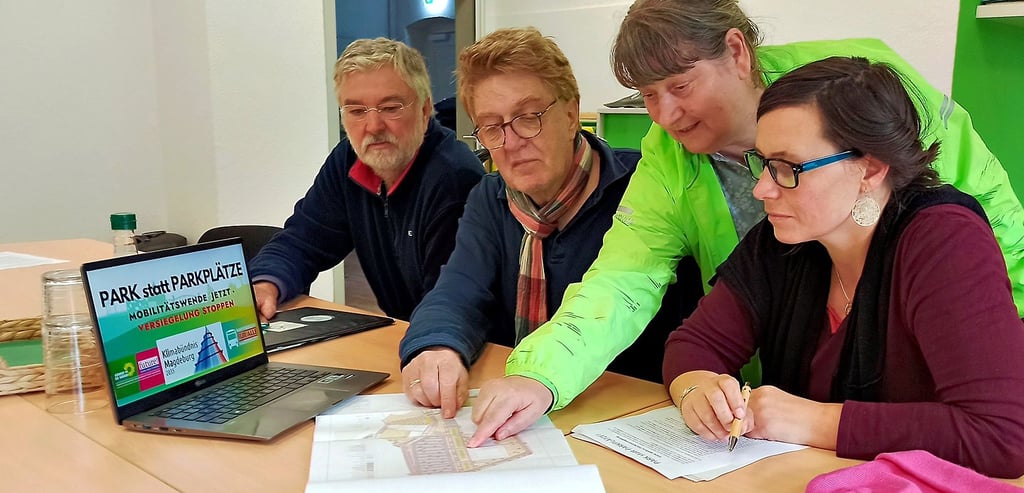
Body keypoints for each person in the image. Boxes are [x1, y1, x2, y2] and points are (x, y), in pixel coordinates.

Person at [469, 0, 1024, 445]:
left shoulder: (868, 117)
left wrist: (1000, 351)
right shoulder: (768, 230)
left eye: (680, 87)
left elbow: (984, 232)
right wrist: (543, 375)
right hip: (782, 432)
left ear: (736, 52)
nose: (664, 115)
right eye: (647, 96)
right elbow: (622, 283)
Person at [664, 56, 1024, 477]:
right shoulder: (786, 239)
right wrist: (697, 388)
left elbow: (1003, 435)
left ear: (869, 168)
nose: (763, 188)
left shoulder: (944, 241)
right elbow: (693, 345)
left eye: (788, 168)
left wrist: (815, 421)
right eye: (762, 163)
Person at [398, 27, 701, 421]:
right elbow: (458, 291)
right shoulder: (490, 198)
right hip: (522, 413)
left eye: (528, 117)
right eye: (492, 127)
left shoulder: (642, 189)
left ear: (572, 112)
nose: (511, 141)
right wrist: (437, 347)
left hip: (629, 414)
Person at [248, 38, 484, 321]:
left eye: (391, 107)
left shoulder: (454, 178)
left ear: (424, 110)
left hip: (459, 344)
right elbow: (302, 241)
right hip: (408, 332)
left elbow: (450, 308)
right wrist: (267, 281)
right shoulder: (349, 161)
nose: (373, 126)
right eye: (357, 111)